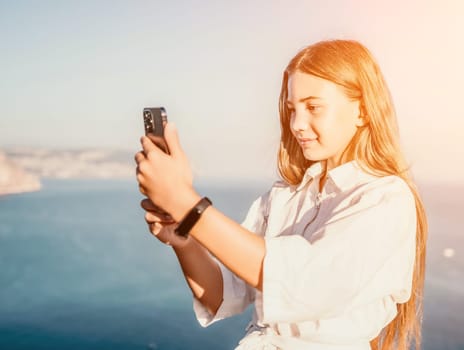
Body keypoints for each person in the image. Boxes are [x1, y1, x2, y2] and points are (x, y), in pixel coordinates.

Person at [135, 39, 428, 350]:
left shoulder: (384, 198)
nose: (297, 124)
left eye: (314, 107)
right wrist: (185, 239)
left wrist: (185, 203)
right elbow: (223, 293)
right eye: (292, 109)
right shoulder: (284, 196)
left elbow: (306, 284)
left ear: (363, 111)